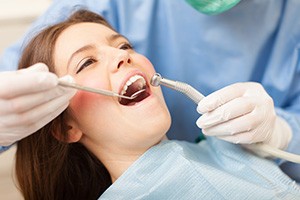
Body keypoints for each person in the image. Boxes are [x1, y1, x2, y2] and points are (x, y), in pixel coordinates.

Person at [14, 9, 300, 200]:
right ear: (66, 127)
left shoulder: (229, 150)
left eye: (124, 45)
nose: (121, 56)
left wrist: (280, 133)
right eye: (87, 62)